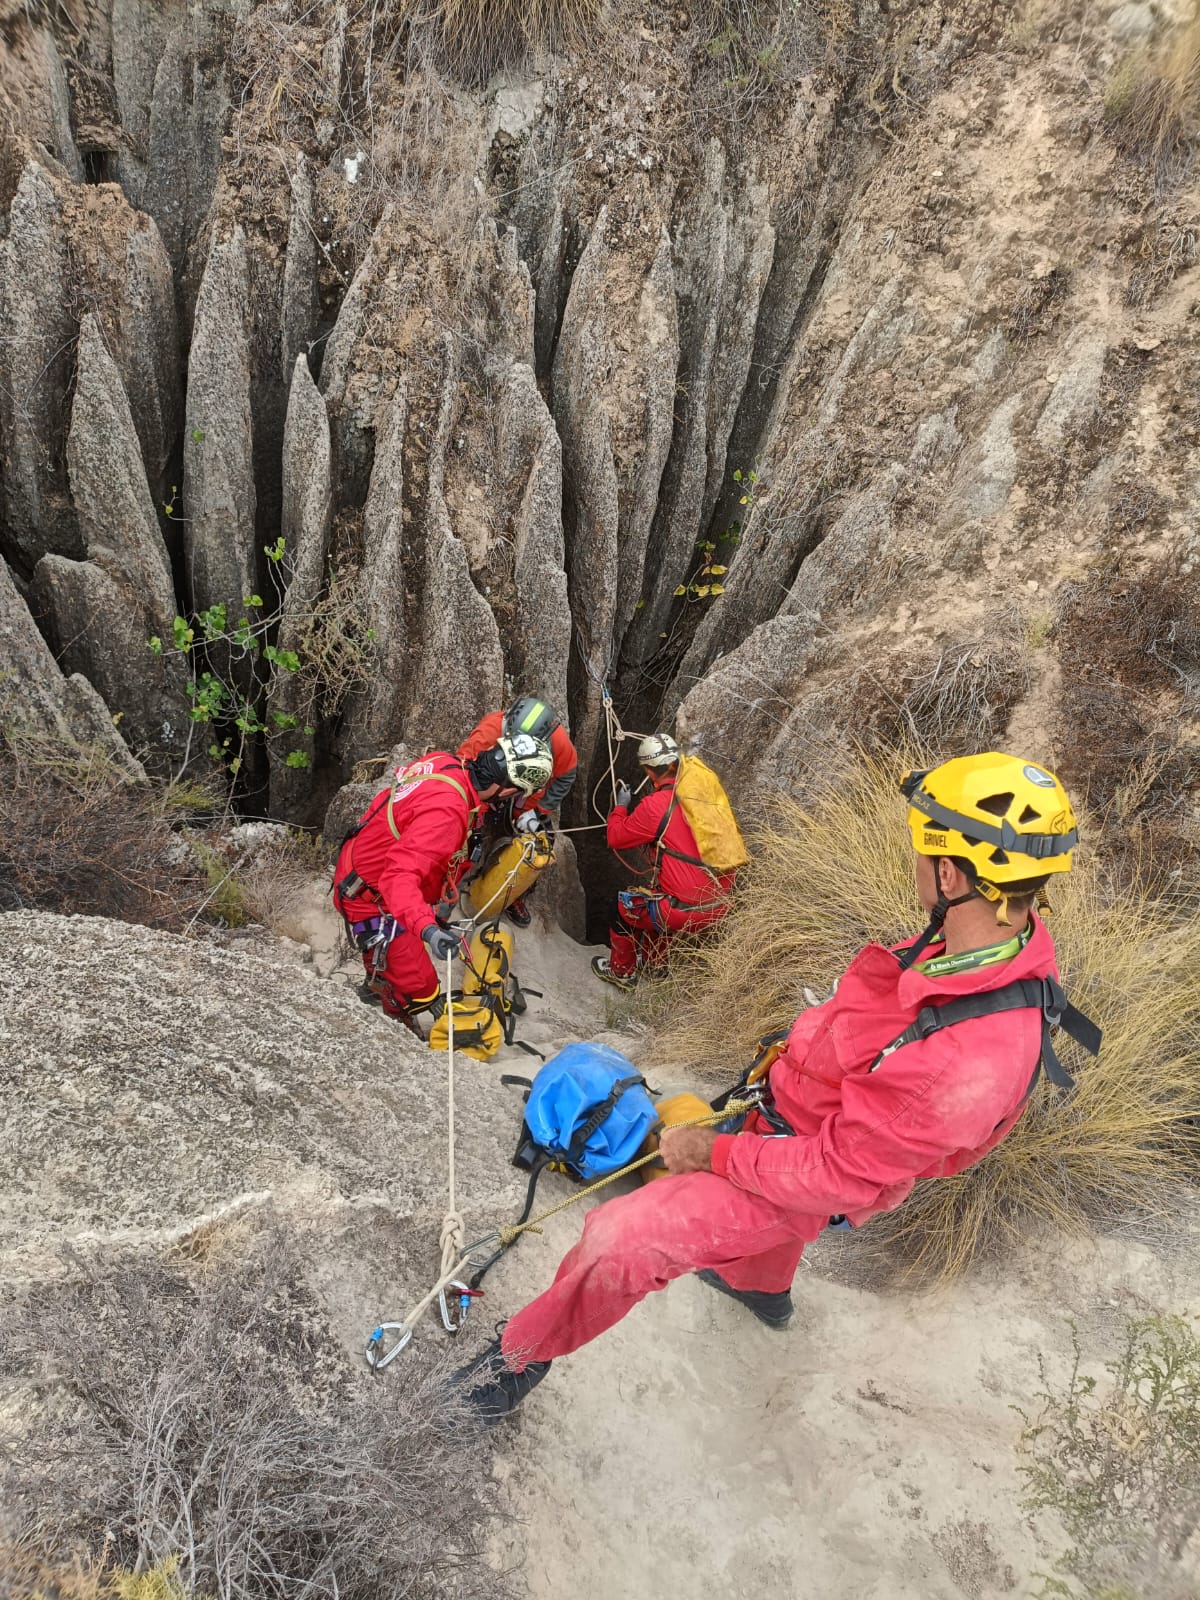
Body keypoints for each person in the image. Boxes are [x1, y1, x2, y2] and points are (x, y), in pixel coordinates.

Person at [463, 752, 1086, 1421]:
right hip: (793, 1121)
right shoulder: (981, 945)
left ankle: (512, 1365)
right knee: (773, 1212)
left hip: (803, 1162)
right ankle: (760, 1290)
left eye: (919, 849)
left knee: (619, 1241)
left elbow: (832, 1176)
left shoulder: (965, 1060)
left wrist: (709, 1153)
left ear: (951, 872)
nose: (912, 864)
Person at [333, 734, 553, 1028]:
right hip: (371, 897)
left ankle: (383, 971)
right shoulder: (448, 812)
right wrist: (427, 930)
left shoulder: (448, 764)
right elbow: (398, 877)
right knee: (420, 985)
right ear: (508, 788)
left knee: (406, 963)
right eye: (518, 794)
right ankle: (396, 1016)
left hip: (369, 866)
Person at [591, 732, 736, 991]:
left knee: (622, 908)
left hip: (685, 911)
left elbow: (615, 837)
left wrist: (620, 807)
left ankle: (621, 972)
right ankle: (655, 966)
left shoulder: (655, 805)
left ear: (649, 771)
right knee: (660, 896)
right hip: (720, 903)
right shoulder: (704, 795)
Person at [457, 696, 578, 926]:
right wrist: (479, 812)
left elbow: (567, 775)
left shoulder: (556, 742)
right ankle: (449, 885)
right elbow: (464, 777)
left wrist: (538, 811)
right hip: (487, 794)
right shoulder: (490, 732)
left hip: (524, 800)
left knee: (540, 843)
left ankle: (512, 893)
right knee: (465, 836)